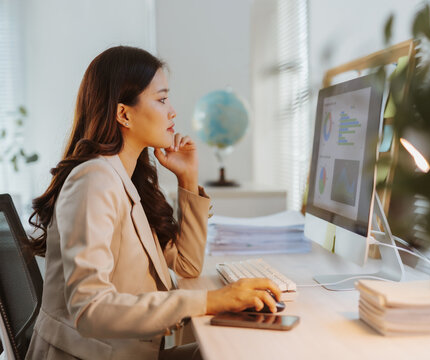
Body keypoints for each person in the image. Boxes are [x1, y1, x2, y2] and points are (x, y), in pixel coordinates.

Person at [26, 46, 281, 360]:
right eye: (161, 100)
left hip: (123, 353)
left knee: (239, 348)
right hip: (89, 355)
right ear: (124, 114)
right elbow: (89, 309)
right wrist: (212, 300)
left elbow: (186, 265)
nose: (172, 111)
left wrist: (187, 179)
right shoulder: (95, 181)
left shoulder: (127, 178)